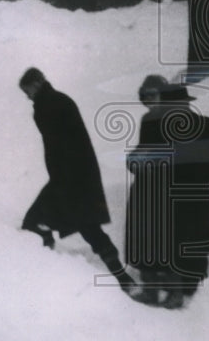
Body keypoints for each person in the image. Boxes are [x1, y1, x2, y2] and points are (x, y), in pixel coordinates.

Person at [18, 67, 136, 294]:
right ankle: (123, 278)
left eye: (28, 91)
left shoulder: (45, 106)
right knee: (88, 227)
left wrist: (61, 179)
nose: (28, 97)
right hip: (79, 176)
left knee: (34, 222)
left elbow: (57, 146)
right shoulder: (60, 100)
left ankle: (46, 276)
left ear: (35, 84)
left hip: (66, 179)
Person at [125, 76, 209, 308]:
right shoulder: (204, 124)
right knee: (171, 243)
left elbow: (147, 157)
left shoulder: (158, 122)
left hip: (162, 193)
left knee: (160, 243)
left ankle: (159, 292)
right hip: (183, 194)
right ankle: (170, 292)